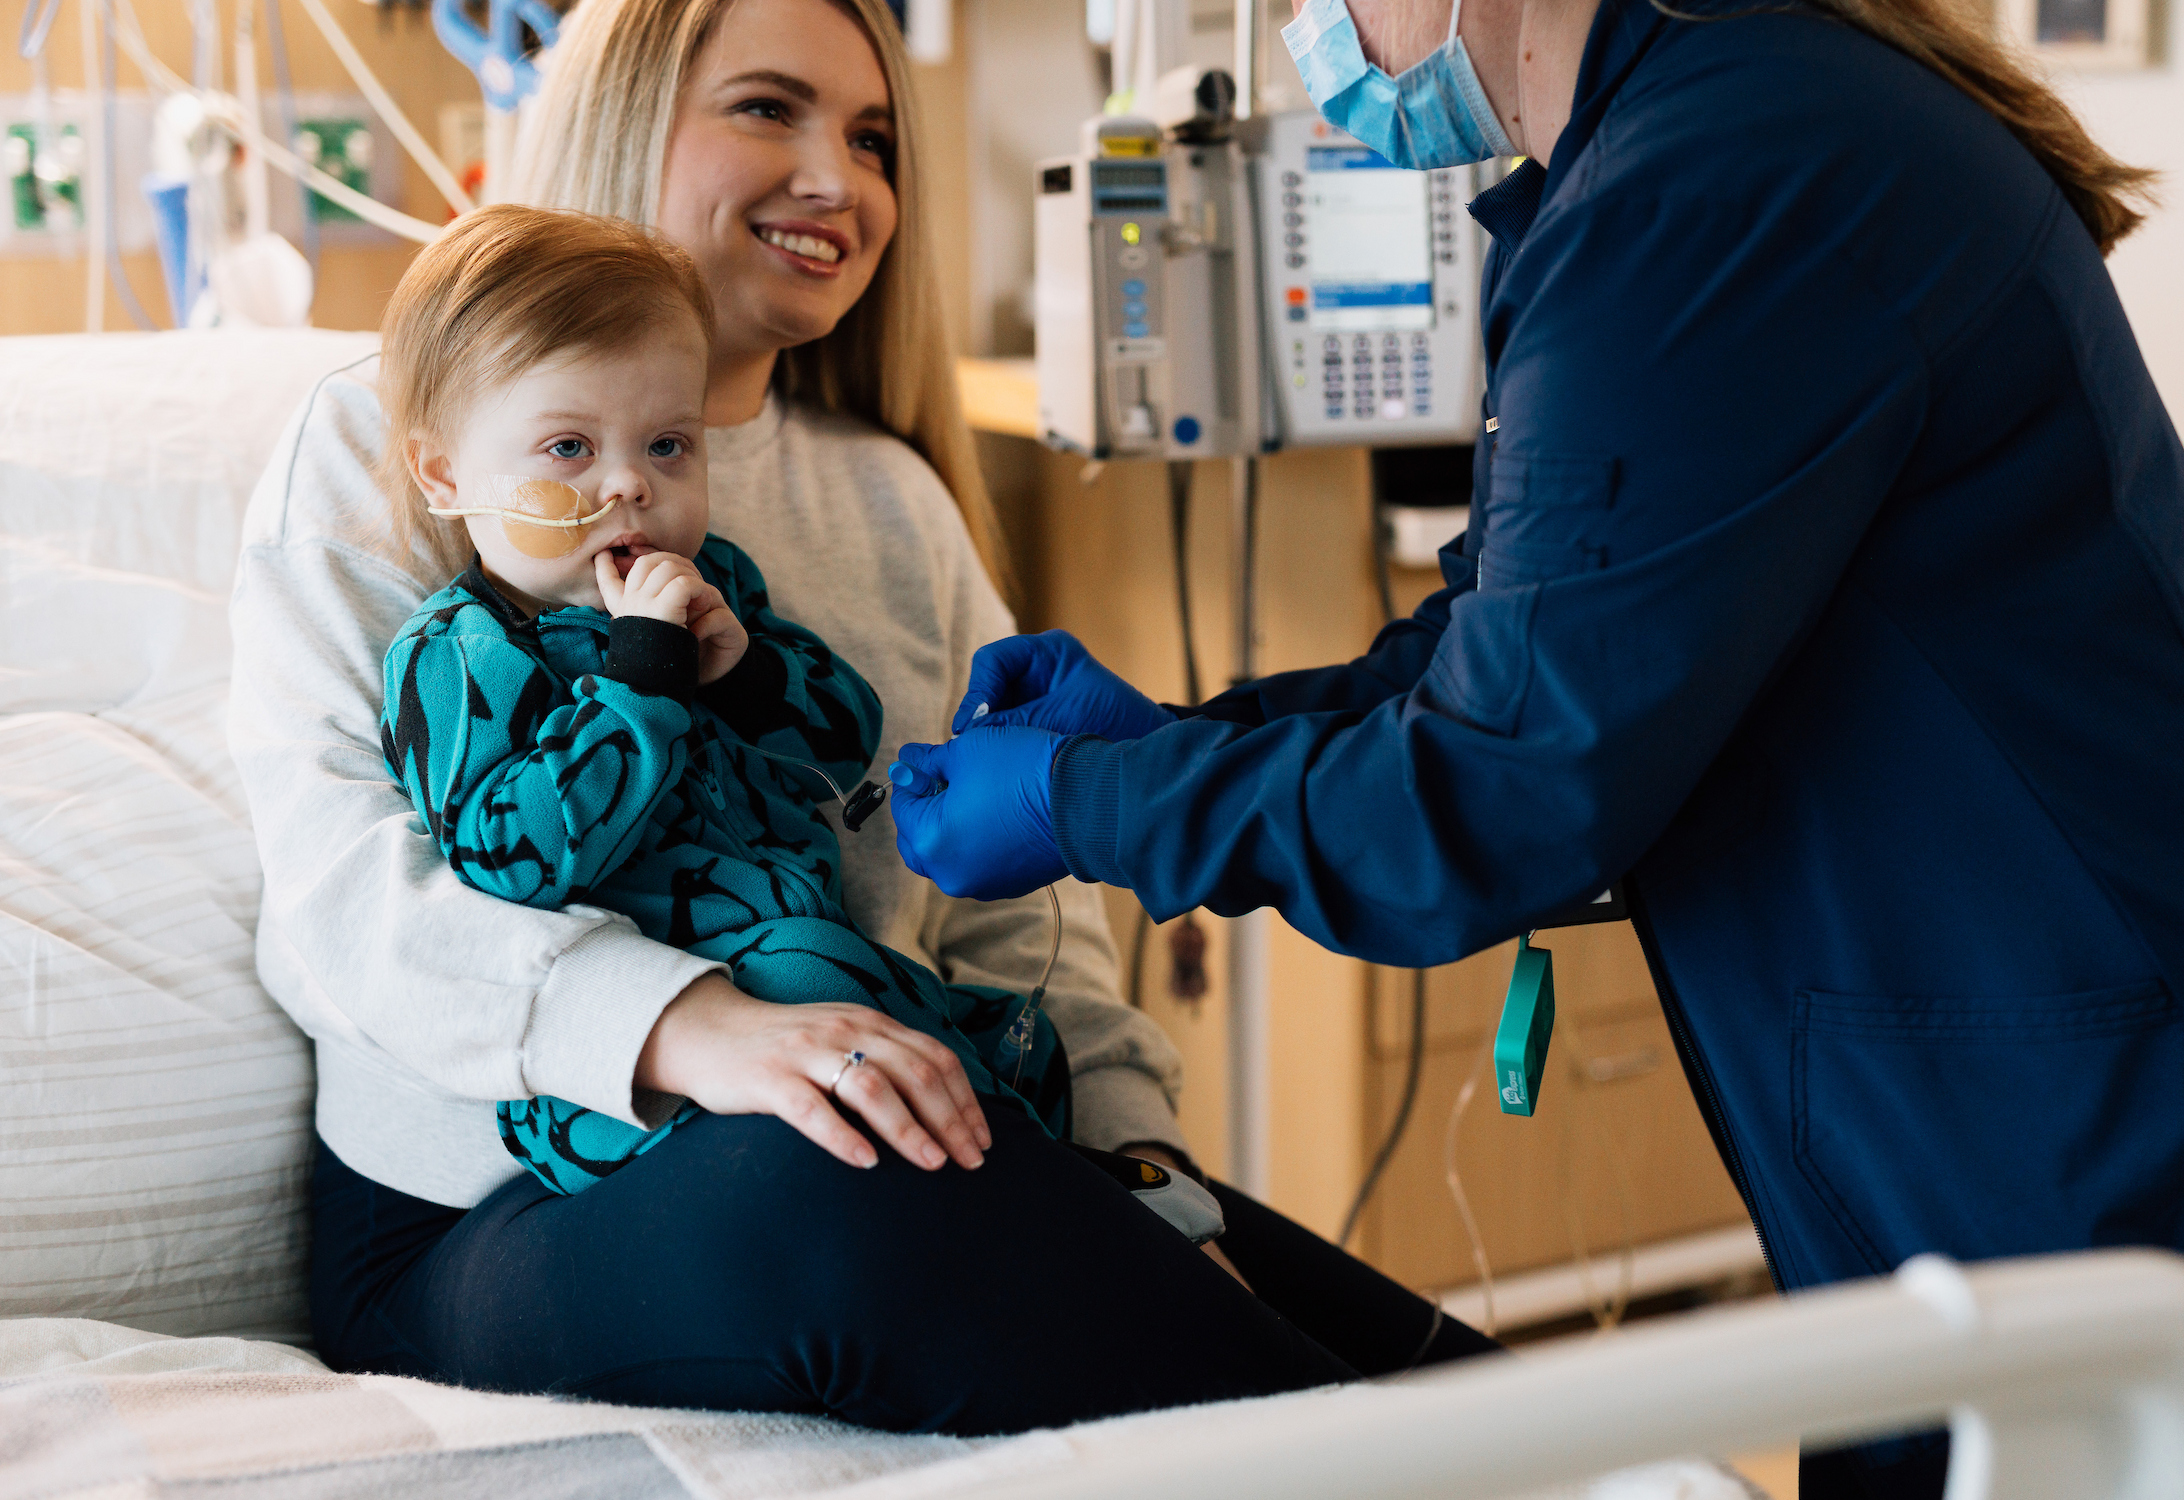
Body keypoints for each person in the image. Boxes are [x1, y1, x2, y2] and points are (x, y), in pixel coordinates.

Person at [885, 0, 2184, 1487]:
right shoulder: (1678, 142)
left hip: (2122, 1082)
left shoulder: (1712, 179)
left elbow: (1496, 788)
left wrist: (1098, 803)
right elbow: (1505, 650)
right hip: (2029, 1046)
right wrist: (1177, 740)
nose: (1313, 34)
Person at [228, 0, 1496, 1435]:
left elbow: (1025, 931)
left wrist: (1140, 1164)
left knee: (1457, 1384)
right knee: (843, 1161)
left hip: (875, 1109)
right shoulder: (405, 433)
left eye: (876, 137)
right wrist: (687, 1028)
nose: (840, 179)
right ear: (625, 115)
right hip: (485, 1203)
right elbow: (348, 893)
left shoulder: (892, 497)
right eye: (769, 109)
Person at [373, 205, 1087, 1195]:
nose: (629, 484)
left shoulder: (716, 584)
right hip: (624, 1078)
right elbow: (510, 860)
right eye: (568, 449)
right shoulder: (461, 653)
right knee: (814, 972)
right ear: (445, 471)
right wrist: (644, 681)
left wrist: (745, 668)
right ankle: (1024, 1197)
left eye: (669, 445)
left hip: (826, 969)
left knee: (1022, 1042)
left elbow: (845, 748)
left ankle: (1059, 1184)